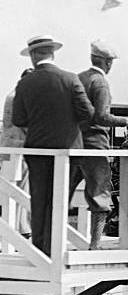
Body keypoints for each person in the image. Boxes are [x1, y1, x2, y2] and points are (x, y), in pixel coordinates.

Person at [12, 35, 94, 256]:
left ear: (32, 56)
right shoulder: (70, 79)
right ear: (53, 53)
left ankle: (40, 250)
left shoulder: (25, 83)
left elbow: (19, 119)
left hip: (38, 151)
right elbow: (87, 112)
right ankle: (55, 249)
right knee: (60, 202)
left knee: (39, 203)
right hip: (69, 150)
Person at [69, 40, 128, 249]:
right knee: (100, 196)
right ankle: (95, 244)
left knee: (63, 193)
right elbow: (102, 116)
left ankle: (49, 242)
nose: (111, 65)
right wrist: (127, 122)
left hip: (74, 143)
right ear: (105, 62)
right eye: (110, 61)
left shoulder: (78, 79)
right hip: (95, 145)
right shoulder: (99, 83)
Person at [1, 68, 34, 237]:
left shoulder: (13, 95)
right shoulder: (18, 98)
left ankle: (19, 227)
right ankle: (20, 228)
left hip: (11, 146)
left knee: (16, 190)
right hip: (18, 146)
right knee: (19, 190)